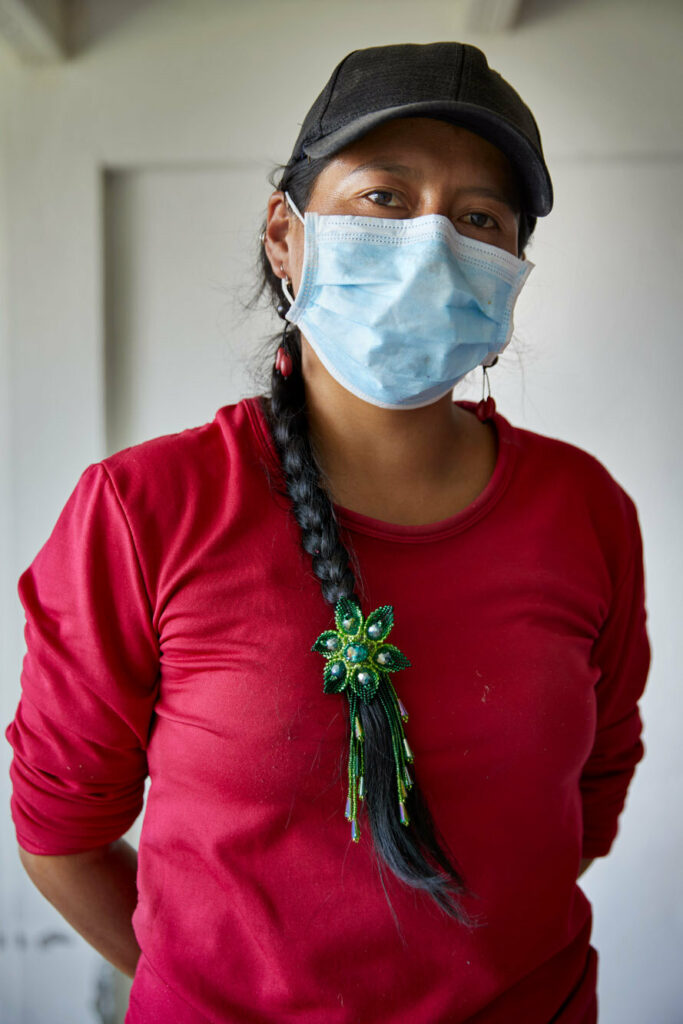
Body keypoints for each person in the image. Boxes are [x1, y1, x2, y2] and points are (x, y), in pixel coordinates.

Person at [5, 41, 650, 1024]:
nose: (434, 241)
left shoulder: (585, 511)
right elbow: (61, 835)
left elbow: (586, 798)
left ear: (509, 276)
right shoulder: (145, 511)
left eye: (478, 217)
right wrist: (217, 985)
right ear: (284, 236)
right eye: (385, 199)